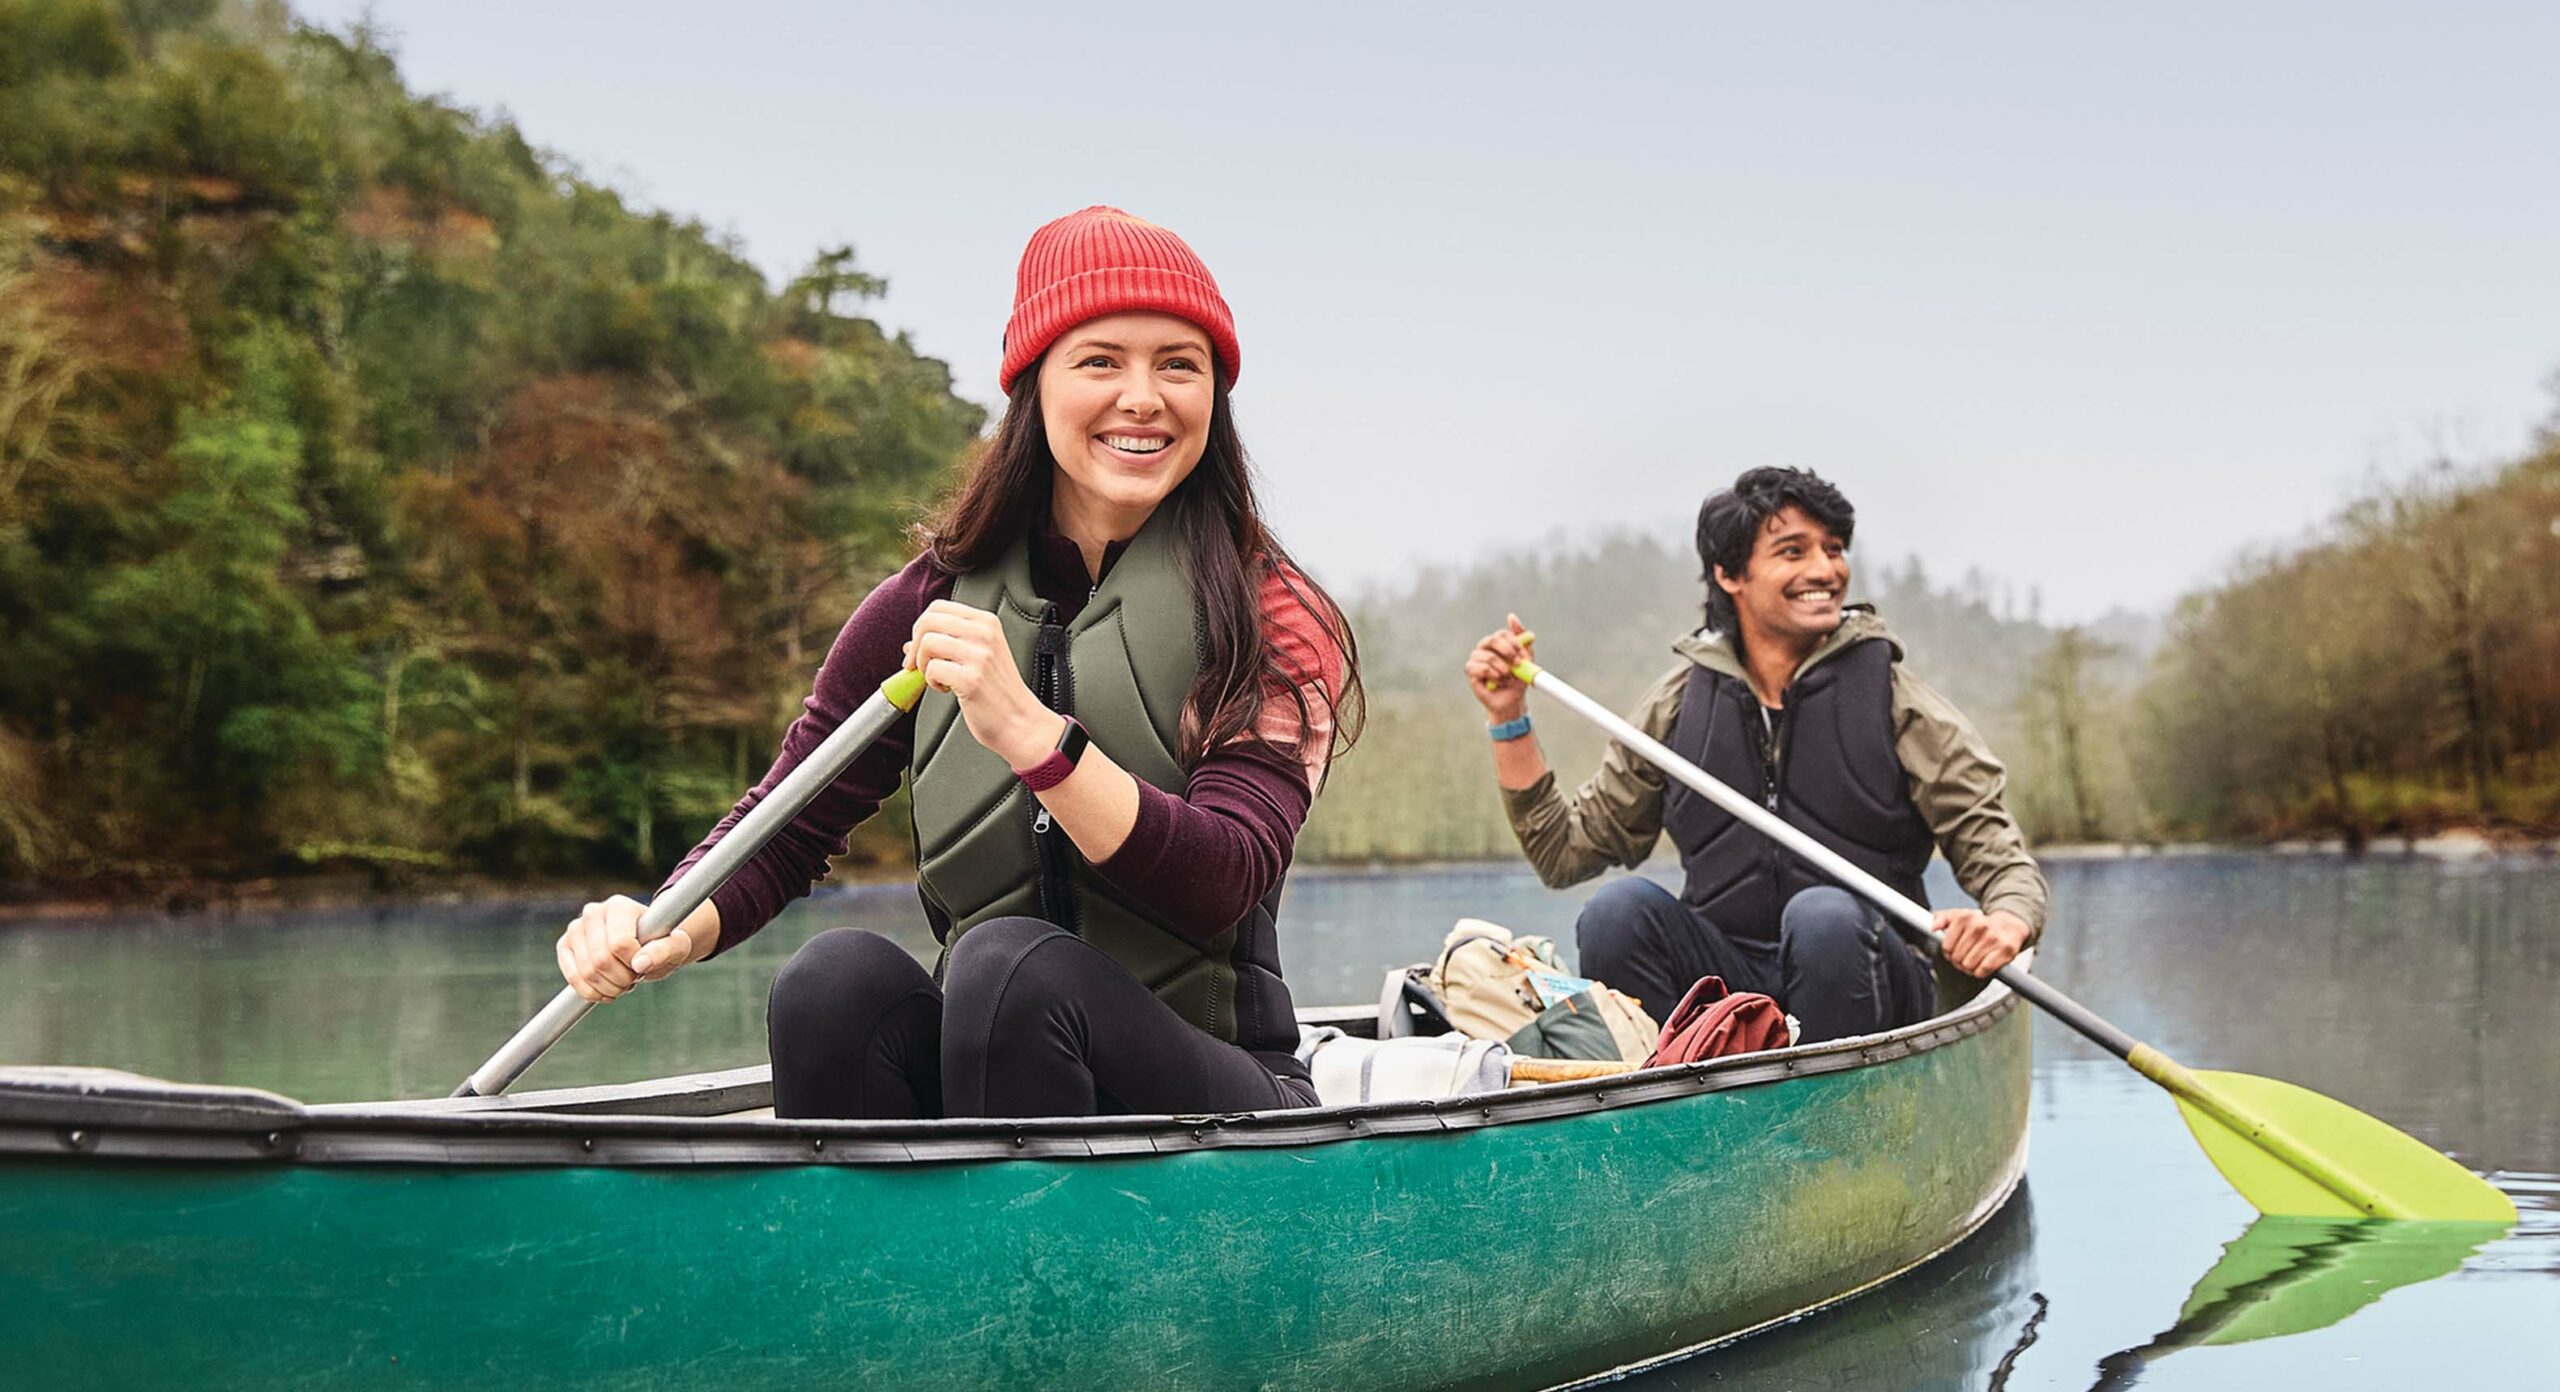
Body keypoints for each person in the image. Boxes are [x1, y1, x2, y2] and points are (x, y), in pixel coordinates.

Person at [555, 206, 1362, 1119]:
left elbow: (1224, 878)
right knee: (832, 979)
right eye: (1100, 360)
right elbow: (787, 825)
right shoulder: (931, 600)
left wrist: (1032, 735)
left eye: (1180, 364)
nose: (1144, 396)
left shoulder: (1274, 610)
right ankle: (874, 1261)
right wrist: (655, 925)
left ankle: (1029, 1256)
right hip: (1000, 1064)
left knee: (1011, 967)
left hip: (1218, 1087)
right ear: (1034, 387)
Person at [1463, 467, 2045, 1044]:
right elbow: (1565, 854)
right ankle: (1680, 1103)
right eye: (1792, 552)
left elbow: (2002, 862)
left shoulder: (1901, 704)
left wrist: (2006, 923)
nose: (1825, 570)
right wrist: (1507, 717)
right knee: (1617, 912)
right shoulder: (1677, 706)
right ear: (1729, 573)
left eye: (1835, 549)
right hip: (1730, 995)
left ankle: (1833, 1114)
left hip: (1874, 984)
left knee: (1823, 919)